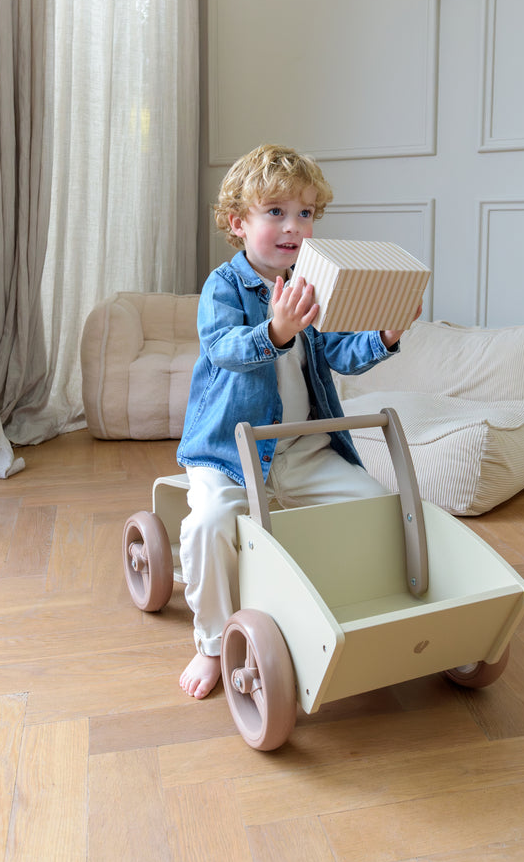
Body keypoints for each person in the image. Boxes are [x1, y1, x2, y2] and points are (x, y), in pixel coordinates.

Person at [177, 143, 412, 698]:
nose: (294, 227)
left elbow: (335, 350)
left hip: (303, 447)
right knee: (208, 525)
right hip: (230, 455)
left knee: (377, 505)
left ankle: (345, 602)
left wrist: (383, 337)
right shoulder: (224, 285)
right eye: (276, 212)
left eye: (305, 214)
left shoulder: (313, 282)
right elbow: (223, 347)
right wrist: (276, 330)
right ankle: (211, 643)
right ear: (238, 223)